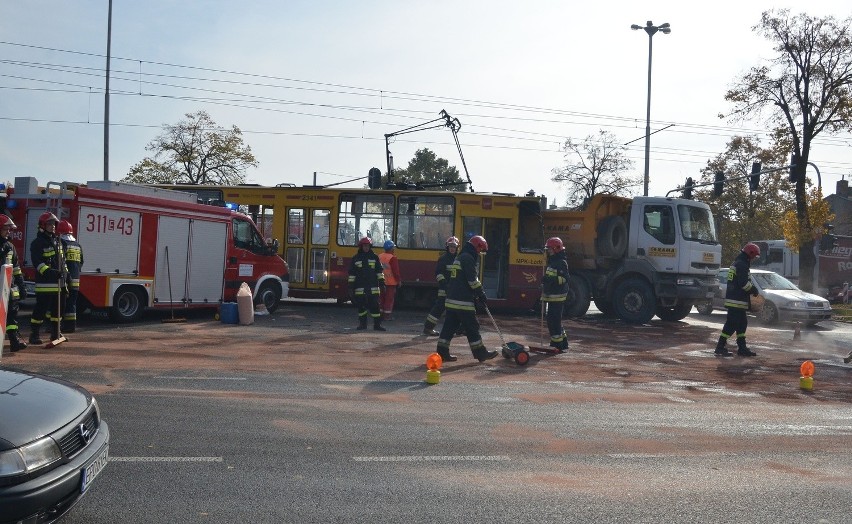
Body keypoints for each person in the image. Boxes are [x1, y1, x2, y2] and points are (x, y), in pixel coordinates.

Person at [436, 235, 497, 363]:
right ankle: (481, 353)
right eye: (480, 250)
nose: (480, 253)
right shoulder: (468, 258)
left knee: (449, 327)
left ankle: (442, 353)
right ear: (477, 247)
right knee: (472, 327)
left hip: (452, 299)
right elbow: (472, 280)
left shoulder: (461, 256)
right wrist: (481, 293)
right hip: (463, 301)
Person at [715, 242, 761, 357]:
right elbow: (743, 284)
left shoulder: (739, 262)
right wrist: (753, 290)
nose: (754, 258)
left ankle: (742, 348)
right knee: (731, 325)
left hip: (736, 300)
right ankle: (720, 347)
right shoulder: (742, 265)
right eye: (754, 256)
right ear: (750, 253)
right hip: (736, 301)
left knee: (742, 324)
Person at [29, 212, 67, 344]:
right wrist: (51, 273)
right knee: (41, 309)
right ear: (42, 225)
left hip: (59, 283)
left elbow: (62, 262)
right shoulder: (38, 243)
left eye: (54, 224)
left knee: (58, 311)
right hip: (45, 283)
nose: (53, 226)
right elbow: (38, 263)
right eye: (49, 224)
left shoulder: (58, 241)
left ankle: (56, 333)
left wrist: (66, 276)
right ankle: (34, 334)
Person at [0, 215, 29, 352]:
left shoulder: (10, 246)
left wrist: (22, 286)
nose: (9, 232)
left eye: (9, 229)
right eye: (6, 229)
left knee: (11, 314)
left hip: (8, 288)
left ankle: (14, 341)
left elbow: (16, 269)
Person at [422, 236, 459, 336]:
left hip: (455, 290)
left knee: (457, 310)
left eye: (454, 247)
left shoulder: (458, 259)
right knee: (438, 309)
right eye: (450, 246)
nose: (452, 248)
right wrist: (445, 285)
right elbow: (438, 274)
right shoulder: (443, 259)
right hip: (444, 290)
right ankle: (428, 328)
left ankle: (458, 330)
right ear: (447, 247)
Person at [348, 237, 386, 331]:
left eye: (368, 246)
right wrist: (350, 287)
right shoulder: (355, 258)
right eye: (364, 246)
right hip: (359, 288)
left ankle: (377, 325)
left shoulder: (374, 257)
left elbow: (379, 272)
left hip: (373, 287)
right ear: (361, 246)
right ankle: (362, 324)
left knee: (375, 307)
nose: (366, 247)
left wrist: (382, 283)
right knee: (361, 307)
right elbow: (352, 274)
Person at [542, 237, 569, 351]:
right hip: (552, 295)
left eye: (550, 249)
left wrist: (550, 280)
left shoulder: (561, 262)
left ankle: (557, 344)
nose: (548, 251)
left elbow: (565, 279)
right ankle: (562, 342)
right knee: (552, 319)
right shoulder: (553, 261)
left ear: (556, 249)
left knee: (554, 320)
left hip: (558, 296)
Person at [57, 220, 83, 333]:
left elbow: (60, 261)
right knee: (72, 303)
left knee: (61, 303)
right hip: (76, 278)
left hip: (65, 278)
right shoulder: (77, 245)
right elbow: (81, 261)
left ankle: (58, 327)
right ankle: (71, 326)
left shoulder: (62, 243)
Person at [378, 240, 401, 321]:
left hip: (381, 282)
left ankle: (379, 314)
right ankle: (387, 316)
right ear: (391, 248)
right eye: (393, 247)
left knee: (381, 298)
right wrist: (398, 281)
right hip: (390, 283)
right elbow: (396, 272)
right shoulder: (392, 258)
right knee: (389, 300)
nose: (394, 249)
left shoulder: (379, 256)